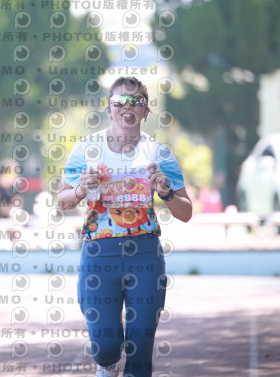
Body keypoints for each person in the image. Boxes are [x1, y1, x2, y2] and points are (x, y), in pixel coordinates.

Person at [57, 76, 192, 377]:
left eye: (136, 102)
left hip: (145, 257)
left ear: (146, 111)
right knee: (105, 347)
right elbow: (62, 201)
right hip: (99, 256)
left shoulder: (158, 153)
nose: (127, 108)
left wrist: (167, 192)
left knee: (140, 348)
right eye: (120, 101)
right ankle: (107, 366)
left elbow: (186, 212)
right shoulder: (87, 148)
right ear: (109, 108)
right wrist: (80, 189)